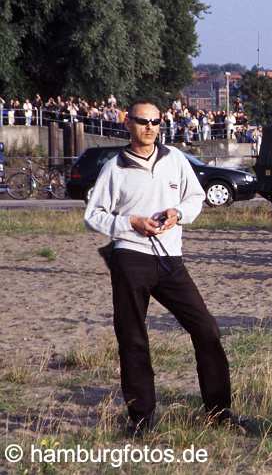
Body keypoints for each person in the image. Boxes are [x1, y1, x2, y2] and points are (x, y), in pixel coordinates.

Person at [84, 101, 241, 434]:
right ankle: (141, 420)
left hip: (171, 261)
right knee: (133, 337)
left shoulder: (176, 160)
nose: (150, 127)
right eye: (143, 121)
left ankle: (219, 412)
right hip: (131, 258)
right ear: (128, 123)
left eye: (156, 122)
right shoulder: (114, 167)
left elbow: (195, 198)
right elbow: (92, 215)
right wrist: (131, 223)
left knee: (207, 330)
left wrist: (177, 214)